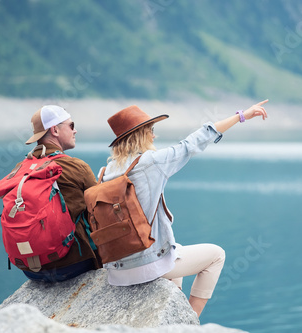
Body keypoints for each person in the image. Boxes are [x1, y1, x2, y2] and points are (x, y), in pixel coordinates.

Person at [99, 100, 268, 316]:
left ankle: (171, 315)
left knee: (173, 250)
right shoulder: (152, 162)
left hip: (116, 269)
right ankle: (189, 321)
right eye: (150, 130)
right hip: (144, 266)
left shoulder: (105, 172)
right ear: (140, 134)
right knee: (217, 255)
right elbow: (193, 143)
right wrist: (241, 116)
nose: (154, 136)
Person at [16, 105, 101, 281]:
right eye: (71, 125)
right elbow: (101, 212)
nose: (75, 130)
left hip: (31, 270)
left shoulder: (20, 170)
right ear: (55, 129)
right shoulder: (76, 166)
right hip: (72, 265)